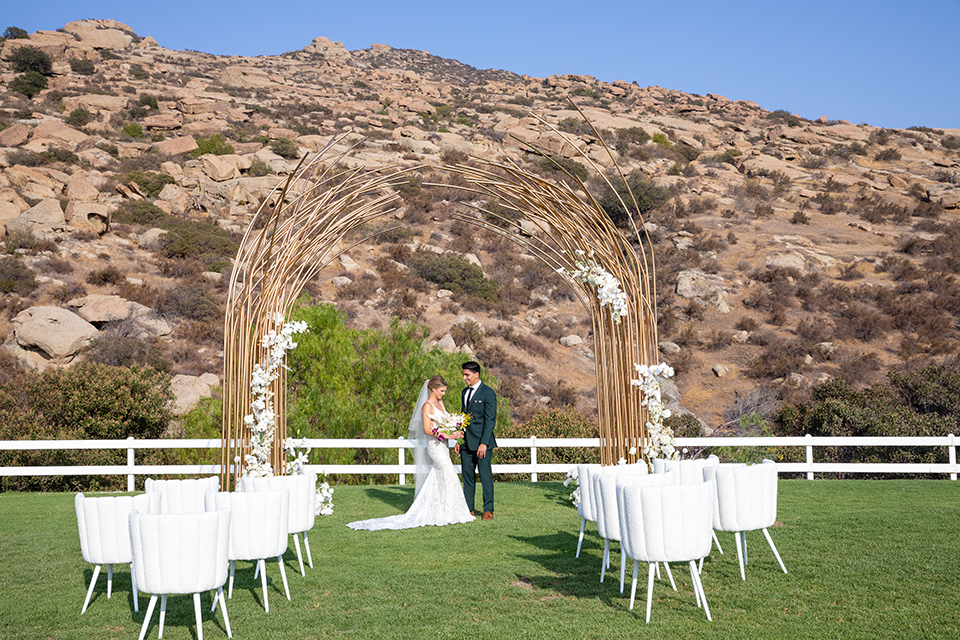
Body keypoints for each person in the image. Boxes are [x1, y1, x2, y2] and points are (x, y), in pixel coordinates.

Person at [347, 375, 474, 530]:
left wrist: (454, 430)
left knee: (439, 477)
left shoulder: (440, 403)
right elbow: (428, 429)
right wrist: (447, 435)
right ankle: (449, 513)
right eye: (441, 391)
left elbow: (444, 422)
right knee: (450, 476)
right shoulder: (427, 406)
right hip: (435, 446)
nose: (443, 394)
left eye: (444, 391)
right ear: (433, 389)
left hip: (444, 446)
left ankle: (440, 510)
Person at [457, 361, 497, 520]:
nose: (464, 378)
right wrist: (459, 440)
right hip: (466, 443)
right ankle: (468, 509)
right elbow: (462, 417)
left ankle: (488, 509)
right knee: (467, 477)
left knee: (485, 476)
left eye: (467, 375)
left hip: (482, 443)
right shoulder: (464, 392)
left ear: (476, 374)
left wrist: (484, 443)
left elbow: (490, 420)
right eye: (464, 375)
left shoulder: (488, 393)